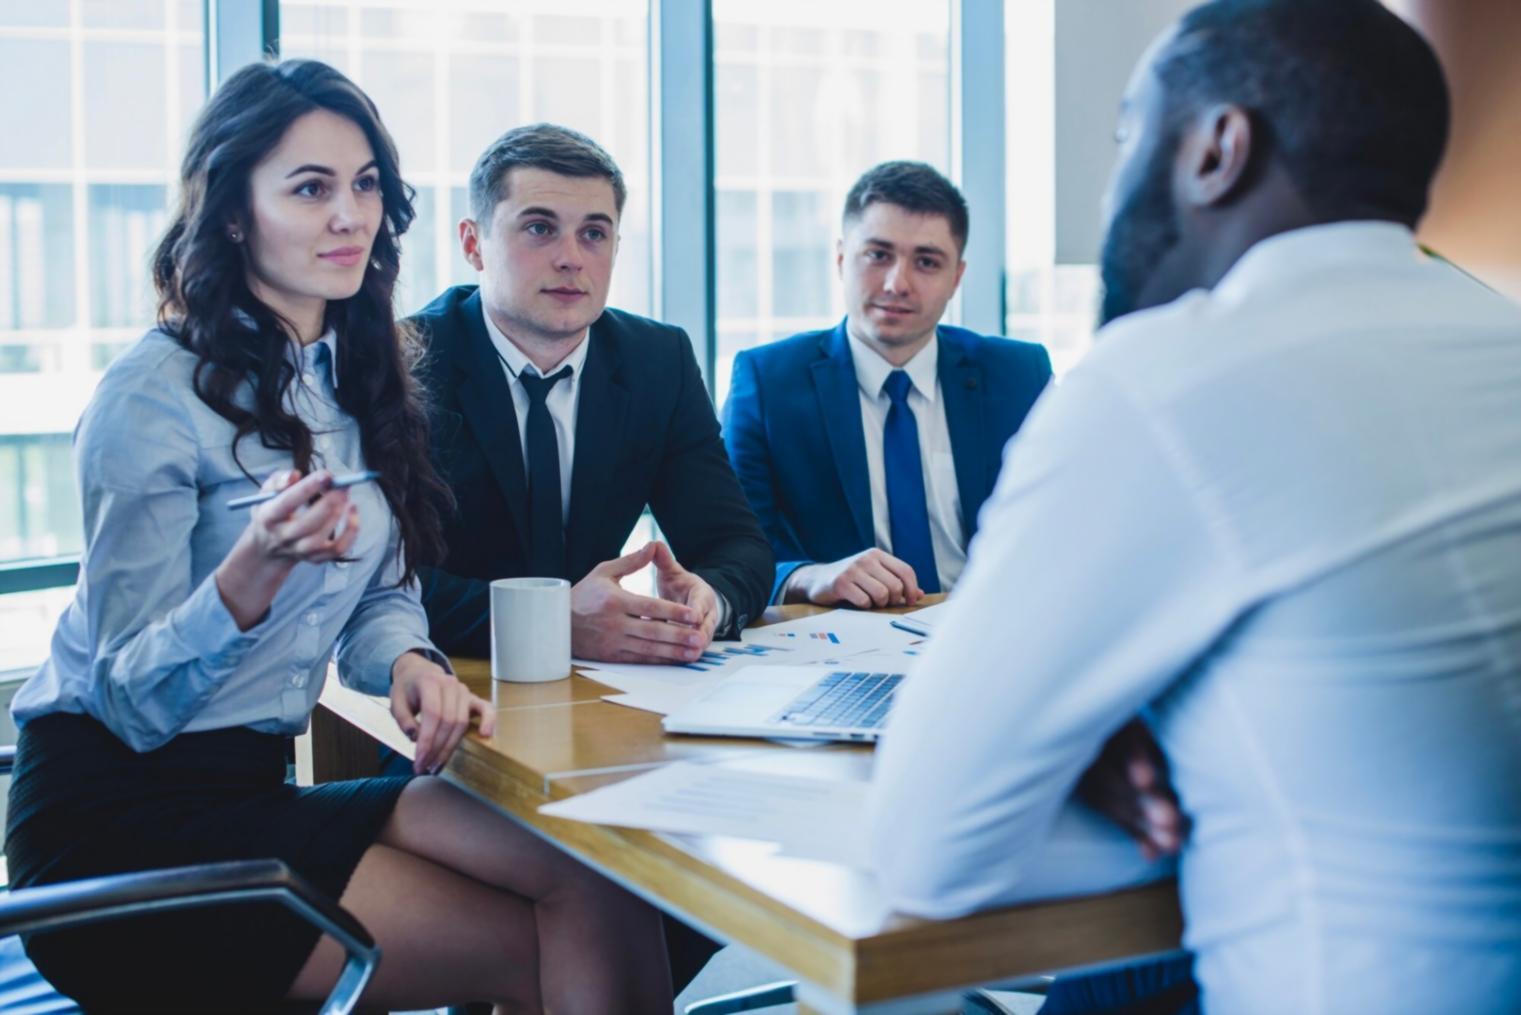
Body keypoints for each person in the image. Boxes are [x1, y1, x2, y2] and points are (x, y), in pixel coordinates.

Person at [868, 1, 1521, 1012]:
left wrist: (1086, 742)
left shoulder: (1167, 378)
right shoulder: (1500, 344)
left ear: (1219, 147)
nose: (1110, 180)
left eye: (1131, 133)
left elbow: (919, 849)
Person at [3, 60, 671, 1013]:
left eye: (364, 185)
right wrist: (248, 574)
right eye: (311, 188)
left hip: (252, 791)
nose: (350, 215)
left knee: (600, 873)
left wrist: (407, 661)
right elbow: (130, 701)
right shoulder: (148, 396)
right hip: (119, 828)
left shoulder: (359, 378)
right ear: (234, 215)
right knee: (554, 948)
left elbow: (384, 593)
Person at [410, 123, 773, 667]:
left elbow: (735, 543)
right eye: (539, 229)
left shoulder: (657, 361)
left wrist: (709, 602)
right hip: (448, 682)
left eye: (594, 234)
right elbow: (382, 580)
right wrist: (552, 626)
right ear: (472, 244)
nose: (572, 258)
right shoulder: (405, 362)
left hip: (604, 685)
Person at [723, 161, 1051, 606]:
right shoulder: (768, 382)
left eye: (927, 262)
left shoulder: (1020, 376)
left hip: (987, 626)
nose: (898, 283)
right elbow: (729, 549)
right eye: (878, 255)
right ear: (842, 259)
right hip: (838, 642)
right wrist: (809, 576)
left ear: (956, 278)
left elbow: (1066, 523)